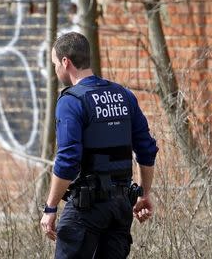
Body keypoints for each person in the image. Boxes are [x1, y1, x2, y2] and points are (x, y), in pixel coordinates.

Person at [40, 32, 158, 259]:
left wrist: (51, 208)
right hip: (121, 207)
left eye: (55, 64)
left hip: (86, 209)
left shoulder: (71, 101)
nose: (56, 70)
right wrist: (143, 193)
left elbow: (67, 161)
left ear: (66, 62)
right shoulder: (124, 95)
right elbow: (147, 149)